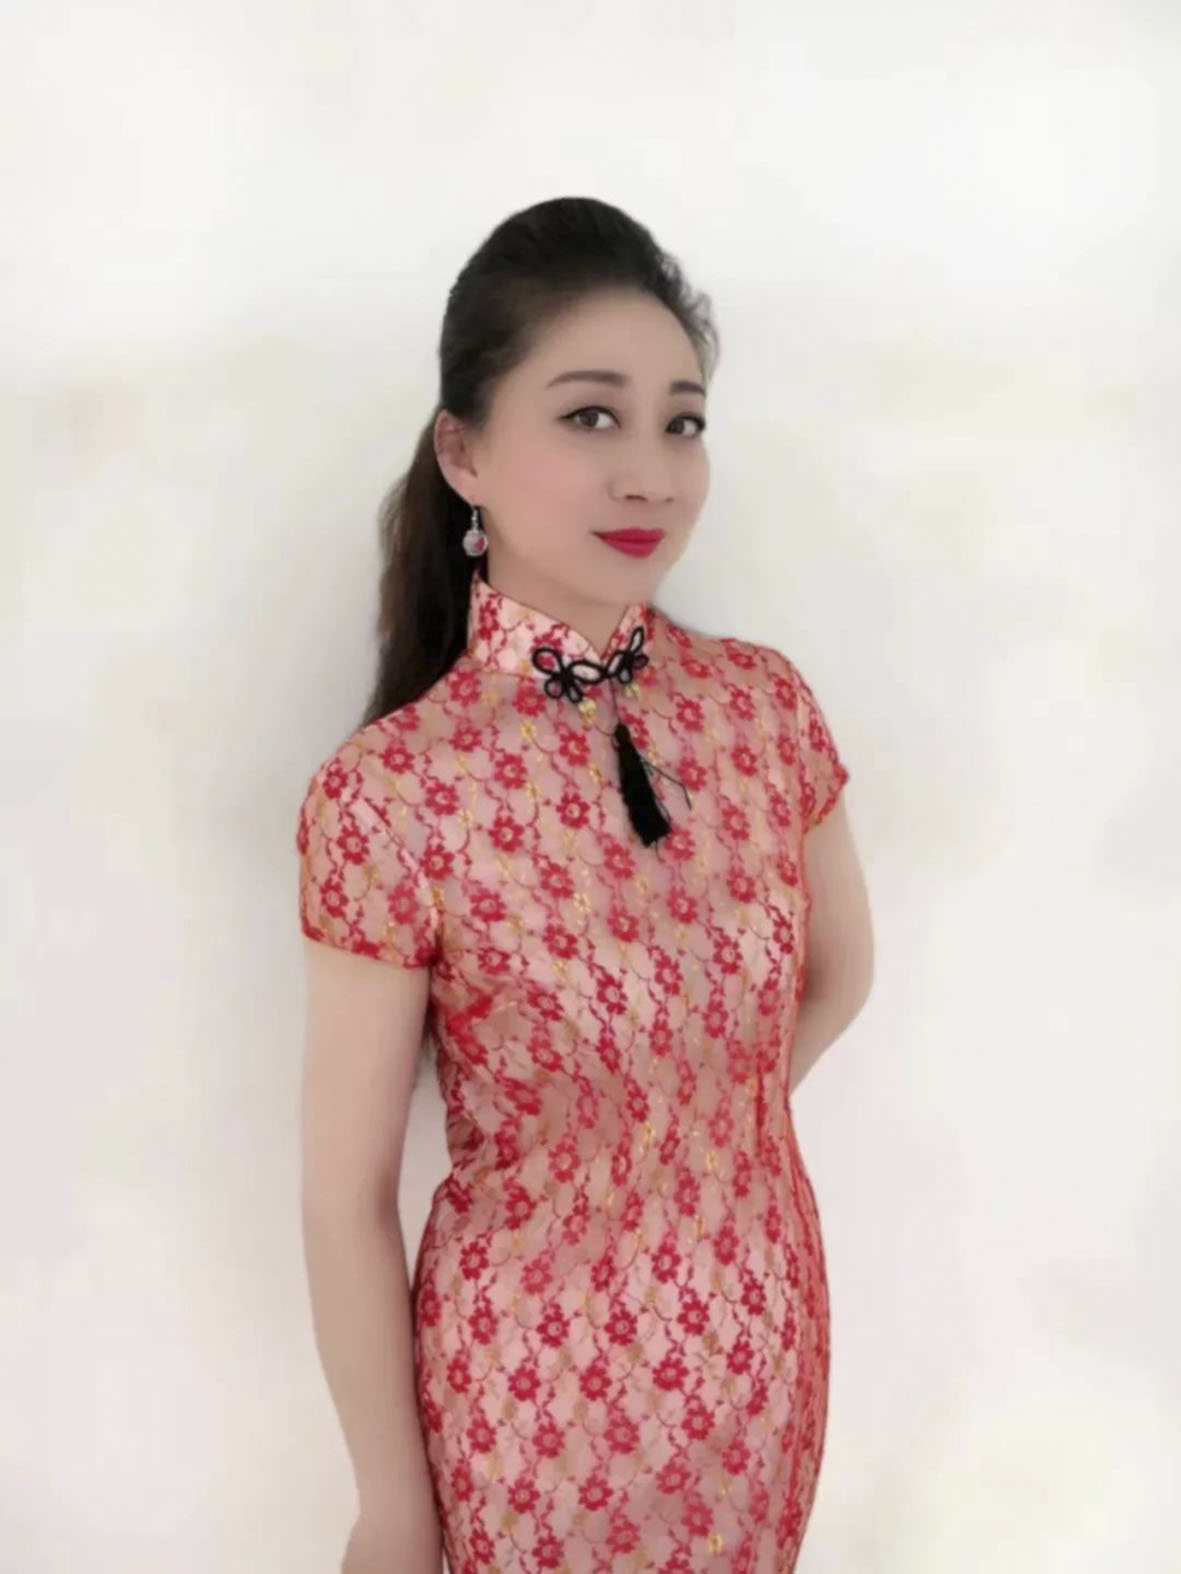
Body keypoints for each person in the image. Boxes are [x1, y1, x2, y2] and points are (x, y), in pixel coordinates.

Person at [295, 196, 874, 1574]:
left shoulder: (763, 708)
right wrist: (392, 1509)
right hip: (530, 1413)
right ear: (464, 452)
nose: (650, 474)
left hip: (760, 1359)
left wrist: (688, 1134)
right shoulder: (391, 794)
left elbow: (841, 971)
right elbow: (343, 1198)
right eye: (591, 416)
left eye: (682, 422)